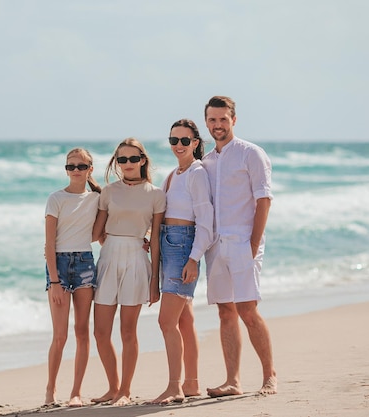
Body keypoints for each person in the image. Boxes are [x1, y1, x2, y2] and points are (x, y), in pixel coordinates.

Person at [202, 96, 278, 397]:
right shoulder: (206, 161)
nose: (217, 125)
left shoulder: (251, 154)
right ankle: (233, 381)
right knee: (225, 311)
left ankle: (269, 376)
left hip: (244, 242)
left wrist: (253, 243)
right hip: (216, 245)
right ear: (207, 122)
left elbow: (264, 200)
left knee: (247, 308)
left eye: (222, 119)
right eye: (212, 120)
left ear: (233, 120)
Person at [90, 138, 165, 406]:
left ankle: (125, 390)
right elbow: (96, 233)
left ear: (143, 160)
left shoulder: (156, 194)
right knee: (100, 332)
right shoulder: (108, 192)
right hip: (109, 258)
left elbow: (155, 239)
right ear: (117, 163)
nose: (128, 164)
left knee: (128, 332)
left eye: (133, 159)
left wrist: (155, 279)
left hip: (136, 259)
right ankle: (112, 387)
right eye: (122, 159)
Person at [149, 119, 214, 404]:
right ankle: (191, 384)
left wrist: (193, 259)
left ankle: (174, 386)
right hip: (168, 243)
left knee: (166, 321)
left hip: (183, 247)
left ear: (196, 144)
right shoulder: (174, 174)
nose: (178, 145)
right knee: (185, 321)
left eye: (184, 141)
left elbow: (206, 222)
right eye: (173, 140)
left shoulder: (197, 173)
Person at [44, 148, 101, 407]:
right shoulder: (56, 199)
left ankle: (76, 392)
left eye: (81, 166)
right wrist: (54, 282)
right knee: (60, 335)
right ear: (66, 170)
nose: (75, 170)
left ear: (90, 169)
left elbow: (102, 233)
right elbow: (49, 244)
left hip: (85, 264)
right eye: (70, 166)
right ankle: (50, 390)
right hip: (60, 264)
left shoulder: (98, 199)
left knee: (81, 331)